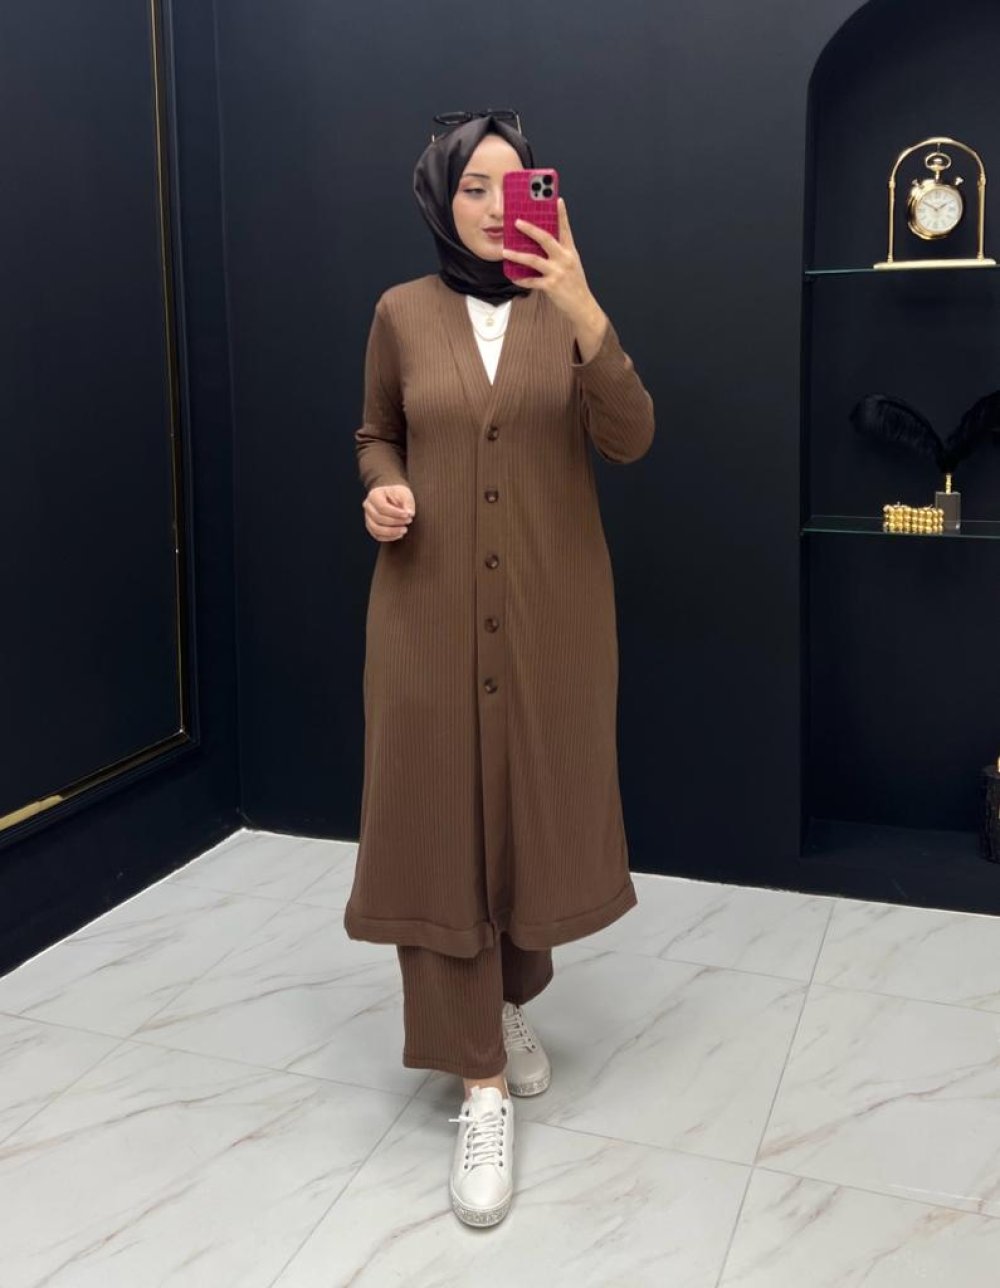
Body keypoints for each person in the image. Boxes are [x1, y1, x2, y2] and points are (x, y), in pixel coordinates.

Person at [343, 110, 655, 1228]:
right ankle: (478, 1079)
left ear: (543, 200)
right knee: (435, 825)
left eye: (510, 186)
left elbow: (630, 434)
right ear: (439, 197)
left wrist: (582, 305)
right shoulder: (400, 312)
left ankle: (506, 1001)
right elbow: (376, 432)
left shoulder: (564, 312)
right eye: (471, 186)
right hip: (424, 615)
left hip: (548, 617)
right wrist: (382, 489)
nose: (489, 205)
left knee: (525, 814)